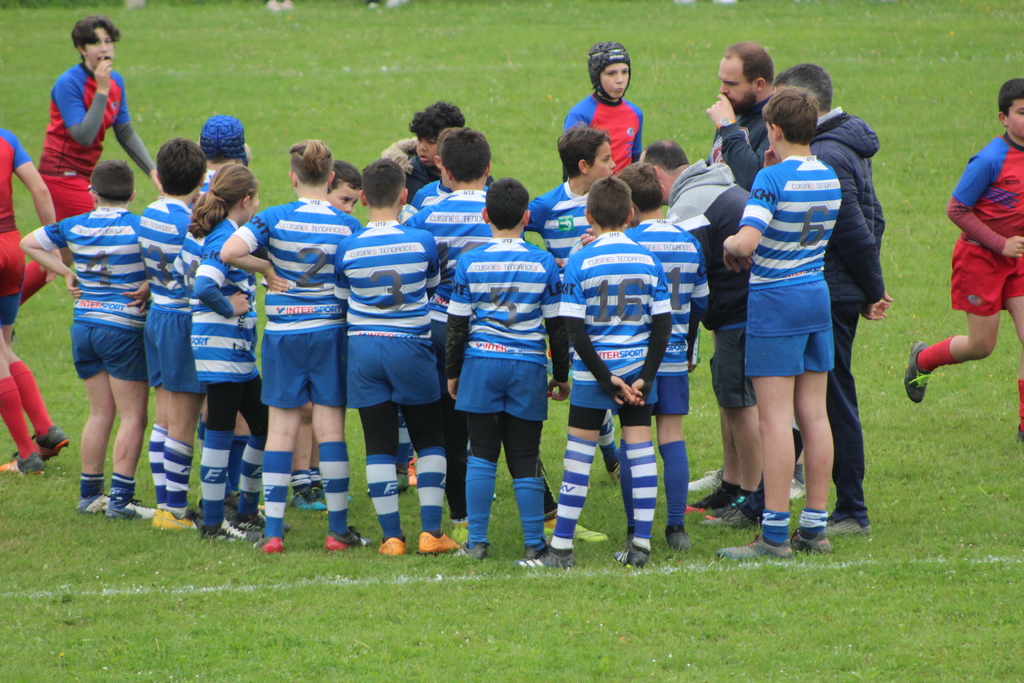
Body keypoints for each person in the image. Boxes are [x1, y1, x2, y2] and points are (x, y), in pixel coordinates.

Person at [221, 140, 366, 553]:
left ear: (292, 177)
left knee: (281, 431)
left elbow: (230, 251)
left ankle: (273, 533)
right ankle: (338, 531)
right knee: (330, 430)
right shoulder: (347, 224)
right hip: (330, 334)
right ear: (331, 178)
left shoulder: (273, 217)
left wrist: (267, 267)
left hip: (284, 334)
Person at [765, 63, 890, 536]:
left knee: (829, 403)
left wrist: (870, 290)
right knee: (816, 401)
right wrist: (867, 287)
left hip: (826, 291)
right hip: (835, 289)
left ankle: (851, 510)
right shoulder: (843, 144)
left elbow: (856, 229)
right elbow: (876, 217)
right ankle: (772, 499)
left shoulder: (827, 154)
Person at [717, 86, 841, 560]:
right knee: (814, 414)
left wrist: (728, 243)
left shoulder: (771, 178)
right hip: (815, 295)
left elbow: (746, 242)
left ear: (773, 129)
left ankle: (772, 535)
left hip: (776, 299)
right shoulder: (827, 173)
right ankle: (813, 527)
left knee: (773, 421)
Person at [532, 177, 672, 569]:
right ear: (631, 214)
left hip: (596, 373)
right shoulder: (649, 260)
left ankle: (561, 548)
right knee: (640, 452)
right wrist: (645, 376)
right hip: (638, 372)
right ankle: (640, 545)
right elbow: (663, 326)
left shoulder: (580, 261)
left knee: (578, 457)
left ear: (588, 215)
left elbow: (573, 330)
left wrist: (603, 377)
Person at [445, 177, 571, 561]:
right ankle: (534, 543)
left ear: (485, 216)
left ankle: (477, 543)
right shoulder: (543, 262)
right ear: (526, 217)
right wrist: (561, 375)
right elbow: (557, 326)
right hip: (527, 367)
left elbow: (456, 325)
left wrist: (453, 372)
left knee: (481, 453)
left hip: (481, 364)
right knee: (525, 453)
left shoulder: (469, 261)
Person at [335, 158, 457, 556]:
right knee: (430, 439)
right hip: (411, 347)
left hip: (364, 349)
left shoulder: (347, 246)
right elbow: (432, 286)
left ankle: (391, 537)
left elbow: (342, 298)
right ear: (405, 196)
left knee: (378, 444)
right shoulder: (422, 240)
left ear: (364, 197)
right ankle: (431, 533)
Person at [21, 160, 153, 518]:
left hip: (84, 326)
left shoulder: (75, 224)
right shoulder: (140, 227)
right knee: (133, 416)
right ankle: (121, 501)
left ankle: (90, 495)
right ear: (132, 194)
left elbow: (29, 242)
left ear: (92, 193)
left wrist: (65, 272)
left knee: (99, 412)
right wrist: (148, 284)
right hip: (123, 328)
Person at [906, 79, 1024, 441]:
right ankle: (922, 360)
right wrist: (1000, 243)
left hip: (1019, 259)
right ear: (1003, 118)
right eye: (1022, 112)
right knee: (981, 346)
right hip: (980, 259)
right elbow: (956, 209)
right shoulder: (990, 160)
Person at [403, 127, 493, 544]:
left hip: (439, 326)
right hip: (490, 328)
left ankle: (459, 515)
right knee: (495, 424)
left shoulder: (426, 215)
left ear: (446, 171)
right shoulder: (498, 211)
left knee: (447, 424)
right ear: (488, 169)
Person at [29, 15, 160, 304]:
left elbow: (125, 131)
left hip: (85, 177)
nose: (104, 48)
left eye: (108, 41)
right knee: (111, 229)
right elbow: (84, 136)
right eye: (95, 43)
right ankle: (117, 305)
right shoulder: (68, 83)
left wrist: (153, 171)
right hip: (61, 175)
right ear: (81, 48)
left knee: (60, 257)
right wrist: (101, 91)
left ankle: (7, 305)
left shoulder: (116, 82)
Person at [176, 164, 273, 542]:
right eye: (257, 199)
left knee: (263, 425)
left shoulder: (224, 233)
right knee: (219, 431)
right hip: (221, 351)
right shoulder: (223, 238)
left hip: (236, 353)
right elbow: (204, 286)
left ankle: (246, 509)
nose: (258, 205)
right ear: (245, 201)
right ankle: (214, 523)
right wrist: (229, 307)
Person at [616, 163, 708, 552]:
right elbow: (701, 303)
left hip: (634, 358)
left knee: (632, 439)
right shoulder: (689, 242)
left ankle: (634, 527)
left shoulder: (625, 241)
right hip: (673, 354)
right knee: (672, 436)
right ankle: (676, 528)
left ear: (630, 206)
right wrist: (688, 345)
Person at [137, 138, 208, 529]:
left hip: (157, 316)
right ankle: (175, 510)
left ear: (160, 177)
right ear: (200, 179)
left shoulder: (150, 212)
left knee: (164, 417)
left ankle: (166, 504)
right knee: (183, 421)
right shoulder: (190, 225)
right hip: (182, 321)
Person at [0, 128, 67, 474]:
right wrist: (51, 246)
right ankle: (45, 429)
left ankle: (27, 456)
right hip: (12, 248)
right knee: (4, 349)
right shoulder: (6, 138)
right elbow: (40, 189)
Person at [706, 41, 775, 192]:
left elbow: (754, 179)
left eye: (731, 84)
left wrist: (727, 126)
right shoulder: (735, 111)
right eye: (722, 81)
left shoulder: (778, 121)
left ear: (759, 85)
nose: (722, 90)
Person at [564, 42, 643, 174]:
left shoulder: (635, 113)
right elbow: (571, 168)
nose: (620, 80)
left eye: (625, 72)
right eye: (611, 73)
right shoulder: (580, 114)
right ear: (596, 76)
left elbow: (636, 161)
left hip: (624, 186)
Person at [381, 101, 465, 199]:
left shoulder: (471, 172)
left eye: (431, 142)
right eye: (419, 140)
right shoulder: (409, 176)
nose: (422, 148)